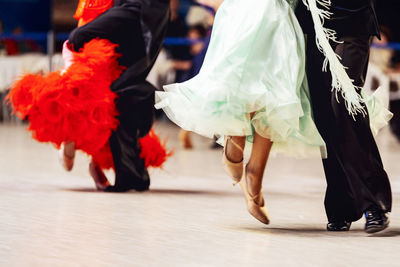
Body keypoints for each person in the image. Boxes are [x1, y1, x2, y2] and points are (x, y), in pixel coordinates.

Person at [156, 0, 328, 224]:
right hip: (249, 10)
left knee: (277, 89)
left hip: (283, 12)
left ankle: (254, 171)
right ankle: (237, 144)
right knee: (249, 77)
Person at [8, 0, 171, 192]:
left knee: (115, 91)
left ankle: (101, 161)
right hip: (106, 11)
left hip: (127, 11)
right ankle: (76, 136)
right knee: (107, 86)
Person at [295, 0, 393, 233]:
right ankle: (342, 204)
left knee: (344, 102)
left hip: (352, 20)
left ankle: (374, 202)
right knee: (325, 116)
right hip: (315, 25)